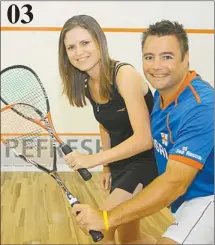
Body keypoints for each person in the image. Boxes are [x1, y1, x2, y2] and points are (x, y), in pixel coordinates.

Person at [71, 20, 214, 244]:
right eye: (149, 57)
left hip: (207, 198)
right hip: (183, 201)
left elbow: (174, 182)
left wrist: (106, 219)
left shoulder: (201, 106)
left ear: (186, 58)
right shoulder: (161, 96)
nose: (156, 66)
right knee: (129, 239)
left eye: (167, 56)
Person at [58, 15, 158, 244]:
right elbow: (105, 123)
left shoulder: (124, 75)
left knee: (101, 225)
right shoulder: (87, 84)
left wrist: (92, 159)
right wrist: (107, 167)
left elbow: (145, 139)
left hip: (147, 161)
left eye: (85, 43)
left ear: (99, 41)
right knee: (130, 238)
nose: (79, 52)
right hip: (123, 162)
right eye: (71, 47)